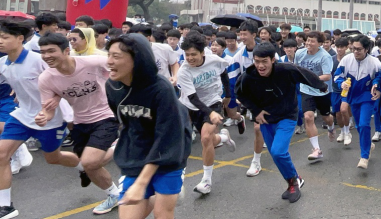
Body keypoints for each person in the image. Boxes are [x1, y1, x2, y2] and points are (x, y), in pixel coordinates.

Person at [105, 33, 191, 219]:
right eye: (108, 55)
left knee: (162, 214)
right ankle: (158, 195)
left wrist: (142, 183)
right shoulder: (112, 87)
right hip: (138, 149)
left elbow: (166, 137)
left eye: (116, 57)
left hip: (170, 148)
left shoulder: (161, 89)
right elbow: (125, 123)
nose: (109, 62)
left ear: (137, 59)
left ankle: (164, 194)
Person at [0, 21, 80, 218]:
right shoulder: (3, 64)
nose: (0, 41)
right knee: (1, 154)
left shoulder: (39, 60)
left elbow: (63, 81)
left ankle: (85, 166)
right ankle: (5, 206)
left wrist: (54, 99)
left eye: (4, 37)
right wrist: (19, 93)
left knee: (54, 158)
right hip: (22, 116)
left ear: (20, 39)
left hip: (51, 119)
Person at [36, 33, 120, 215]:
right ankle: (115, 195)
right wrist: (43, 116)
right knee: (89, 165)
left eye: (51, 51)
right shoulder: (46, 79)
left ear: (67, 50)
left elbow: (123, 68)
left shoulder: (92, 62)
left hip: (106, 115)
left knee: (90, 162)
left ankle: (120, 144)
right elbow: (48, 110)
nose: (46, 56)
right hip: (80, 121)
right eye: (43, 52)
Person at [236, 43, 328, 203]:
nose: (260, 65)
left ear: (273, 60)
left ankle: (293, 183)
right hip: (266, 119)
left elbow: (304, 74)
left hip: (287, 116)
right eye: (257, 61)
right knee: (275, 155)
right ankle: (294, 179)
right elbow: (240, 94)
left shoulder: (285, 70)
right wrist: (256, 110)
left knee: (279, 152)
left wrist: (321, 87)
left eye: (264, 61)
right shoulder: (249, 76)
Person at [176, 33, 236, 195]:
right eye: (187, 55)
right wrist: (209, 113)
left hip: (213, 101)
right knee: (209, 139)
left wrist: (228, 95)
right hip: (192, 106)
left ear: (202, 52)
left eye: (193, 54)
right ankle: (224, 138)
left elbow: (223, 72)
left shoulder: (214, 60)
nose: (190, 58)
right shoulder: (184, 71)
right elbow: (193, 98)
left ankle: (206, 181)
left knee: (205, 138)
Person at [333, 36, 381, 169]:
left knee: (364, 124)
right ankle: (367, 144)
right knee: (358, 126)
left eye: (359, 49)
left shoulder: (375, 62)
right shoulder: (346, 59)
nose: (355, 51)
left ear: (367, 49)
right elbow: (337, 75)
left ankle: (364, 156)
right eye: (353, 49)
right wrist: (341, 83)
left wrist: (378, 88)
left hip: (367, 96)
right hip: (352, 96)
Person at [231, 20, 271, 177]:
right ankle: (256, 161)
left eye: (244, 34)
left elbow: (281, 70)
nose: (241, 37)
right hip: (255, 98)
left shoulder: (267, 50)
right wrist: (237, 96)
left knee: (268, 128)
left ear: (254, 35)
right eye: (240, 34)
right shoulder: (239, 55)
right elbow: (234, 77)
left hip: (272, 94)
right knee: (257, 128)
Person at [295, 32, 335, 161]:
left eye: (312, 41)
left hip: (321, 90)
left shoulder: (325, 56)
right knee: (308, 117)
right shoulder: (299, 53)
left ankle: (331, 127)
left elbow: (327, 76)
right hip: (306, 90)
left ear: (320, 44)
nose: (309, 43)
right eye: (308, 40)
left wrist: (310, 79)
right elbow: (296, 69)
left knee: (326, 117)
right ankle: (316, 149)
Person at [210, 38, 245, 132]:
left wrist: (229, 94)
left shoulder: (230, 60)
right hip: (213, 92)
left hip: (227, 90)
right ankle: (216, 137)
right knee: (214, 115)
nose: (214, 47)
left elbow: (233, 79)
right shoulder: (208, 58)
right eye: (212, 45)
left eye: (217, 45)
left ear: (223, 48)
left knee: (231, 114)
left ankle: (239, 118)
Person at [332, 37, 351, 144]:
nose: (339, 49)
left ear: (346, 47)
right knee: (338, 114)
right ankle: (343, 132)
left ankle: (348, 132)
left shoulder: (350, 59)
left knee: (344, 110)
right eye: (337, 47)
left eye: (342, 47)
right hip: (335, 90)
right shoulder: (332, 59)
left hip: (347, 90)